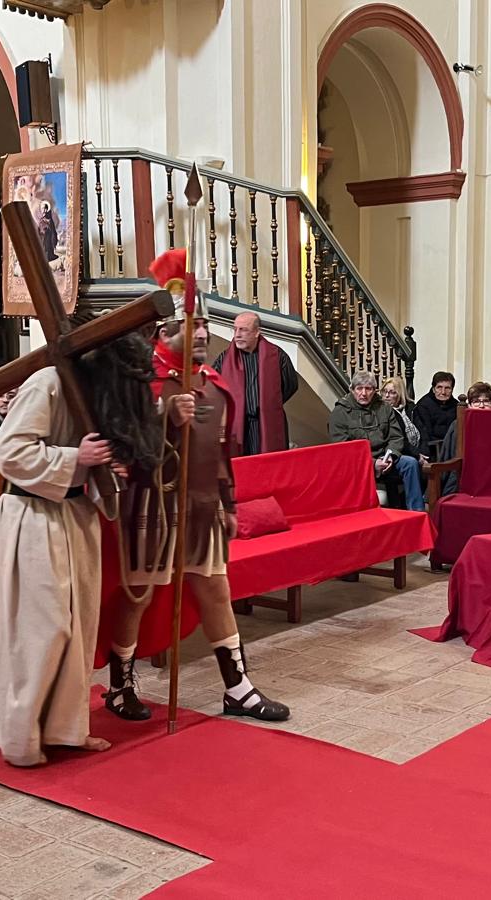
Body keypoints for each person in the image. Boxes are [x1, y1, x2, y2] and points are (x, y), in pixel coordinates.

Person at [104, 288, 291, 725]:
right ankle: (119, 686)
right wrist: (163, 415)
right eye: (191, 326)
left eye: (205, 325)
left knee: (215, 589)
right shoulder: (139, 380)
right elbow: (119, 443)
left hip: (202, 506)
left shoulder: (215, 384)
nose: (203, 333)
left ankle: (239, 690)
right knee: (138, 596)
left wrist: (227, 504)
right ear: (163, 331)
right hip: (151, 504)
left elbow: (223, 452)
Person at [0, 316, 144, 766]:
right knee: (44, 627)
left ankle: (66, 729)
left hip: (75, 515)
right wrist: (78, 457)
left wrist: (104, 471)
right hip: (33, 517)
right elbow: (9, 453)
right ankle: (21, 736)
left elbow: (95, 456)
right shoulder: (49, 382)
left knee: (78, 629)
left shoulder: (94, 389)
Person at [212, 311, 299, 455]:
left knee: (270, 470)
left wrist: (269, 404)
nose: (237, 335)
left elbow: (290, 385)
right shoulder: (224, 359)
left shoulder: (277, 356)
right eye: (235, 329)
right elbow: (215, 390)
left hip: (267, 424)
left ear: (257, 332)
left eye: (243, 330)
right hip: (238, 427)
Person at [328, 370, 410, 504]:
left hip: (385, 458)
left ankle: (417, 511)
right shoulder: (340, 412)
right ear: (352, 390)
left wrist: (391, 456)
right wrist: (373, 463)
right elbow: (343, 449)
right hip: (358, 464)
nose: (364, 393)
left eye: (368, 389)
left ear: (375, 390)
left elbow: (396, 437)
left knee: (410, 464)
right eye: (359, 388)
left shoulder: (384, 407)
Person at [381, 376, 424, 510]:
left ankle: (425, 501)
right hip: (395, 452)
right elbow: (398, 439)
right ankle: (416, 509)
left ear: (400, 394)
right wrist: (418, 455)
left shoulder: (411, 408)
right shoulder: (383, 411)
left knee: (437, 462)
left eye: (392, 392)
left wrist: (424, 452)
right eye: (385, 392)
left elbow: (423, 431)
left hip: (416, 448)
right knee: (412, 463)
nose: (387, 396)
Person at [411, 372, 458, 460]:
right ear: (433, 389)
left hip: (453, 447)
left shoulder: (457, 406)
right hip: (432, 449)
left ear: (452, 389)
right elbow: (424, 434)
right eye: (439, 387)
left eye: (447, 388)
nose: (443, 392)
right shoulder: (423, 406)